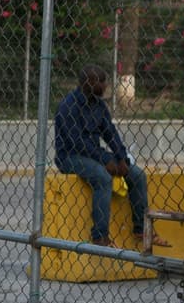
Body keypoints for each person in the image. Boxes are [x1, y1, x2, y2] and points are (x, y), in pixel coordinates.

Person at [53, 64, 168, 248]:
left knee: (137, 175)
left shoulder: (99, 105)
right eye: (102, 81)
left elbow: (110, 133)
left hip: (93, 154)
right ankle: (100, 236)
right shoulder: (69, 106)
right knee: (102, 177)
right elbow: (77, 143)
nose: (106, 85)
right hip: (70, 156)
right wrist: (106, 160)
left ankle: (141, 229)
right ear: (90, 83)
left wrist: (121, 158)